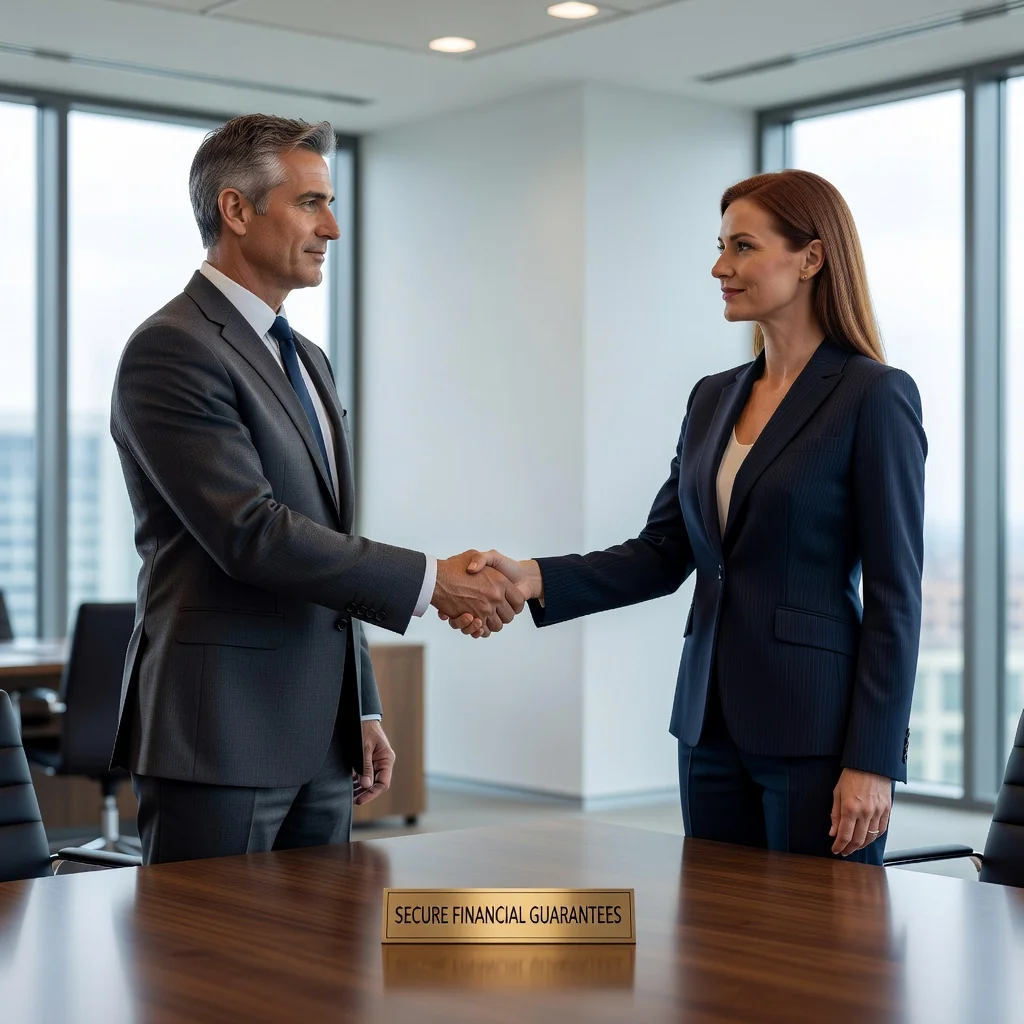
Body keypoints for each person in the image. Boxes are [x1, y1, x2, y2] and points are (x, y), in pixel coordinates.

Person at [453, 170, 926, 864]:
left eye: (741, 247)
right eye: (720, 246)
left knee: (818, 953)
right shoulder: (713, 398)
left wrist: (874, 760)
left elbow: (896, 596)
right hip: (707, 726)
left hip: (816, 734)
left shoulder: (874, 396)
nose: (719, 267)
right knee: (716, 947)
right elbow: (664, 551)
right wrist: (529, 577)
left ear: (811, 258)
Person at [110, 114, 523, 864]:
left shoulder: (308, 359)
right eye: (310, 203)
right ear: (236, 210)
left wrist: (358, 702)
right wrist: (434, 582)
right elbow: (252, 534)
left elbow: (323, 536)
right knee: (214, 974)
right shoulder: (172, 347)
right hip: (222, 734)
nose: (332, 226)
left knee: (321, 974)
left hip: (324, 739)